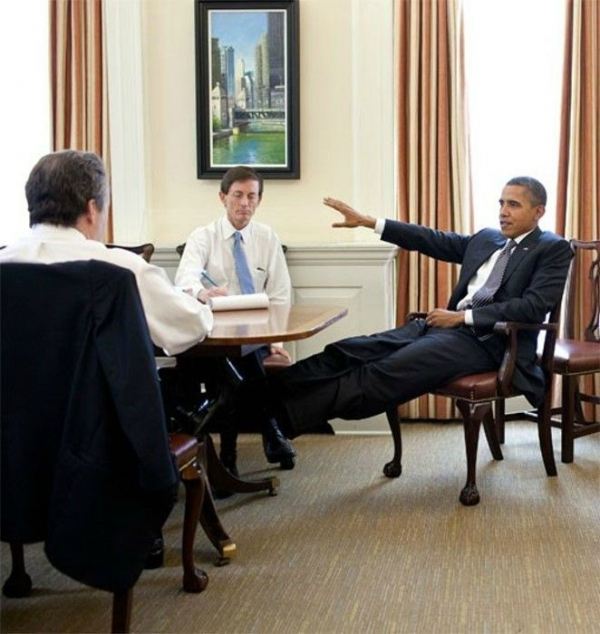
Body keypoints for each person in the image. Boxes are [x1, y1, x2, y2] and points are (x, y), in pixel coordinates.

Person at [270, 176, 573, 437]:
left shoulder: (551, 248)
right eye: (501, 203)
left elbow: (533, 307)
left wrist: (463, 317)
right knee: (349, 351)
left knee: (381, 372)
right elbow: (430, 239)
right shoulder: (487, 239)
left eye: (513, 205)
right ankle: (259, 396)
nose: (503, 212)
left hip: (490, 342)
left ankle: (275, 421)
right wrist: (370, 222)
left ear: (538, 212)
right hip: (439, 328)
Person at [0, 150, 214, 356]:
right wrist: (203, 306)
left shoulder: (6, 262)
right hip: (96, 384)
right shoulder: (122, 270)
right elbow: (191, 324)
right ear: (92, 209)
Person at [175, 165, 296, 471]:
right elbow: (184, 280)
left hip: (256, 336)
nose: (245, 203)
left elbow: (281, 295)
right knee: (237, 364)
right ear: (223, 197)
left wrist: (277, 342)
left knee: (238, 370)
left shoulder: (266, 238)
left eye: (251, 196)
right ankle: (270, 430)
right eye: (238, 195)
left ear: (259, 200)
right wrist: (203, 293)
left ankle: (228, 461)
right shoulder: (203, 237)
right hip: (213, 337)